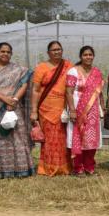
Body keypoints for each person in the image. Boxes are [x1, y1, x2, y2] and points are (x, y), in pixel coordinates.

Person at [0, 42, 34, 179]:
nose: (5, 54)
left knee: (18, 138)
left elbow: (24, 84)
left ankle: (20, 169)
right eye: (2, 51)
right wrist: (4, 98)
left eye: (8, 52)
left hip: (13, 107)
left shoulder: (18, 69)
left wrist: (15, 100)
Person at [30, 40, 72, 176]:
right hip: (45, 109)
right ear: (48, 52)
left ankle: (64, 167)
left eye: (59, 49)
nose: (57, 51)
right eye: (54, 50)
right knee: (49, 140)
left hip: (63, 109)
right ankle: (47, 168)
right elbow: (35, 90)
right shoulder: (41, 67)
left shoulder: (68, 66)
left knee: (63, 139)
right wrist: (33, 111)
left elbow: (72, 88)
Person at [65, 46, 104, 177]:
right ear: (81, 56)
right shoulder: (73, 71)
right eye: (85, 55)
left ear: (93, 56)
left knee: (91, 138)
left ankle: (89, 167)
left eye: (90, 55)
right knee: (78, 136)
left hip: (93, 110)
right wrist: (72, 110)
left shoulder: (97, 72)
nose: (88, 57)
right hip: (77, 107)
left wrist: (102, 108)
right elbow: (69, 92)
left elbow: (100, 92)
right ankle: (78, 168)